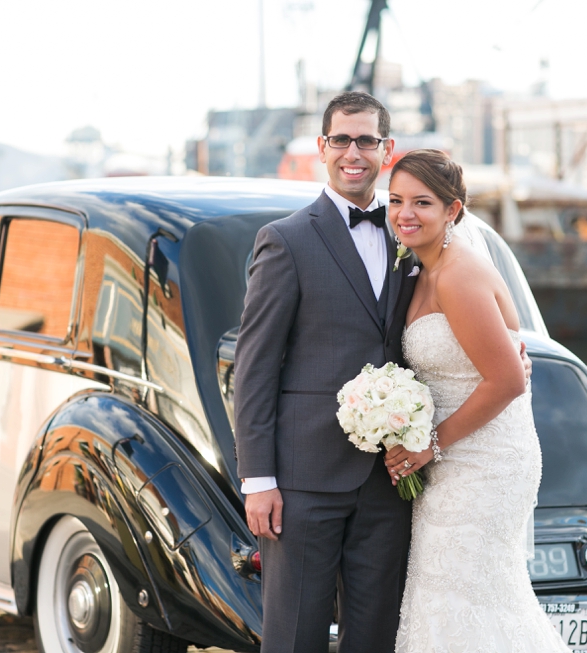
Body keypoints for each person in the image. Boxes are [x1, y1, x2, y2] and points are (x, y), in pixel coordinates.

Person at [233, 91, 416, 653]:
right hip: (305, 479)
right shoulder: (285, 240)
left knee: (375, 634)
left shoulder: (411, 234)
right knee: (295, 635)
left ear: (387, 150)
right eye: (342, 139)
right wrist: (259, 479)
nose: (353, 152)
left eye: (366, 140)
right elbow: (254, 368)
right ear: (322, 147)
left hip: (389, 480)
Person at [383, 149, 569, 652]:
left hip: (483, 465)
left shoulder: (459, 273)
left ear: (454, 211)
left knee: (462, 598)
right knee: (451, 599)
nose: (405, 213)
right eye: (396, 200)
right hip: (452, 459)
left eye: (422, 202)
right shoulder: (420, 269)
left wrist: (430, 446)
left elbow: (508, 380)